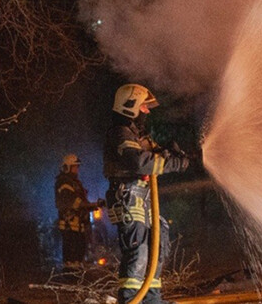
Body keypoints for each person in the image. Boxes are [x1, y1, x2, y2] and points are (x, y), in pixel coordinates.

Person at [103, 84, 190, 303]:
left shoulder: (138, 135)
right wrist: (173, 163)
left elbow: (153, 156)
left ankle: (152, 300)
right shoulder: (120, 133)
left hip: (144, 199)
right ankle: (131, 299)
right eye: (144, 107)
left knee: (157, 247)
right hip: (129, 198)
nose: (147, 111)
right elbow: (138, 162)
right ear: (130, 106)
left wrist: (171, 153)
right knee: (139, 251)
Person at [55, 153, 102, 269]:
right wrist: (91, 205)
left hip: (78, 224)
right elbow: (74, 202)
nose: (77, 169)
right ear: (67, 167)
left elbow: (81, 201)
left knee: (79, 251)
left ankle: (77, 275)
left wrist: (93, 206)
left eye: (77, 167)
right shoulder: (64, 183)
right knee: (71, 254)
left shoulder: (75, 183)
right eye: (75, 166)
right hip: (69, 224)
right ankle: (70, 276)